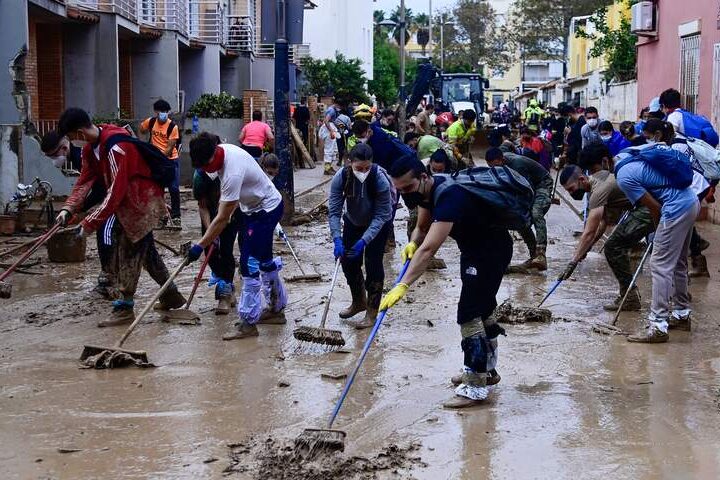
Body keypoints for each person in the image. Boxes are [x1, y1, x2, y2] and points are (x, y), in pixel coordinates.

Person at [381, 154, 516, 408]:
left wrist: (403, 285)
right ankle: (487, 371)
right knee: (484, 309)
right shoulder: (425, 192)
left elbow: (430, 248)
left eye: (408, 188)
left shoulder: (449, 195)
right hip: (473, 251)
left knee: (468, 313)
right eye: (399, 190)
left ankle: (475, 387)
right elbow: (422, 228)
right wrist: (412, 241)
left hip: (490, 252)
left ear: (423, 177)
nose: (405, 194)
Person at [56, 107, 186, 326]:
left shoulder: (117, 147)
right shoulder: (91, 150)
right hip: (128, 203)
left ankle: (125, 307)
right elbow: (84, 182)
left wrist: (89, 222)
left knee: (128, 250)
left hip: (141, 202)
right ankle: (171, 295)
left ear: (78, 132)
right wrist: (68, 208)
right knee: (147, 253)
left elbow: (115, 190)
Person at [188, 133, 287, 340]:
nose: (206, 171)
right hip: (252, 208)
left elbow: (223, 217)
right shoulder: (223, 153)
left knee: (248, 263)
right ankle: (276, 309)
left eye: (206, 166)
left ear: (214, 153)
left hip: (266, 209)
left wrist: (199, 246)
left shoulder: (231, 171)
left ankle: (248, 323)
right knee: (264, 260)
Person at [614, 121, 701, 343]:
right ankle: (681, 314)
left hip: (675, 207)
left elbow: (655, 207)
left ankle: (658, 326)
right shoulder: (636, 155)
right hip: (691, 201)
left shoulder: (623, 177)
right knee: (679, 262)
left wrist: (656, 234)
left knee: (660, 264)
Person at [558, 144, 654, 312]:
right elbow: (604, 222)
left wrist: (573, 261)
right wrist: (586, 249)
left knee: (613, 247)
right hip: (645, 205)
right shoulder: (597, 180)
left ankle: (630, 298)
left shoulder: (597, 191)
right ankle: (628, 295)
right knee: (614, 244)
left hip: (649, 208)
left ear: (582, 179)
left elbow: (589, 231)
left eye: (572, 189)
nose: (572, 194)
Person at [42, 130, 116, 299]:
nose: (54, 160)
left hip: (118, 195)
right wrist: (73, 209)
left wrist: (81, 209)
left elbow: (99, 189)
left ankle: (108, 281)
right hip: (109, 194)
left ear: (64, 148)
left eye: (54, 156)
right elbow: (85, 188)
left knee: (104, 234)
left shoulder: (82, 157)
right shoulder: (79, 157)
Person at [328, 143, 394, 329]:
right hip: (353, 221)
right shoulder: (341, 177)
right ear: (350, 163)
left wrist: (364, 240)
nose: (363, 172)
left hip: (378, 224)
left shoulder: (379, 178)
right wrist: (337, 238)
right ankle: (359, 301)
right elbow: (334, 211)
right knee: (347, 262)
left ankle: (372, 313)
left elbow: (383, 214)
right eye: (359, 168)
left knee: (373, 265)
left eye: (367, 168)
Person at [487, 147, 553, 272]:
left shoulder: (517, 165)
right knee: (519, 219)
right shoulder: (500, 162)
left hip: (541, 183)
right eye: (492, 168)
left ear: (502, 160)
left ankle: (540, 253)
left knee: (535, 212)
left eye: (496, 166)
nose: (495, 170)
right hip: (526, 186)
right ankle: (534, 255)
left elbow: (527, 190)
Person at [192, 159, 242, 315]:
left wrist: (225, 219)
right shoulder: (199, 177)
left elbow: (237, 201)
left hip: (230, 213)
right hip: (211, 215)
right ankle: (227, 286)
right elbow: (202, 206)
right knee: (210, 253)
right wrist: (210, 231)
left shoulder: (231, 172)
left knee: (226, 251)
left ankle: (224, 293)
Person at [139, 99, 182, 228]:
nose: (163, 114)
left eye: (165, 112)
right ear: (156, 112)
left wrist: (155, 156)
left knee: (174, 188)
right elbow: (141, 129)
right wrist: (144, 146)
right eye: (161, 111)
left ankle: (176, 216)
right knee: (158, 190)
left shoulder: (172, 127)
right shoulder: (150, 122)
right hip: (156, 160)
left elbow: (169, 149)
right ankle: (161, 216)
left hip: (170, 161)